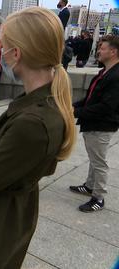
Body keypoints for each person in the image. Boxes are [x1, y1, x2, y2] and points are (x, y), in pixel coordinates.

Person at [0, 7, 77, 269]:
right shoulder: (48, 102)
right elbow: (21, 152)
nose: (3, 53)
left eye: (5, 47)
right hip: (15, 212)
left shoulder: (34, 122)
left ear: (16, 54)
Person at [69, 35, 119, 212]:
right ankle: (90, 186)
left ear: (113, 52)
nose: (98, 51)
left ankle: (98, 197)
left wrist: (76, 112)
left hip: (102, 125)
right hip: (93, 123)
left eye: (102, 48)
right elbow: (91, 97)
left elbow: (106, 106)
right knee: (94, 158)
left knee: (99, 162)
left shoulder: (116, 76)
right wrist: (73, 106)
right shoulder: (104, 71)